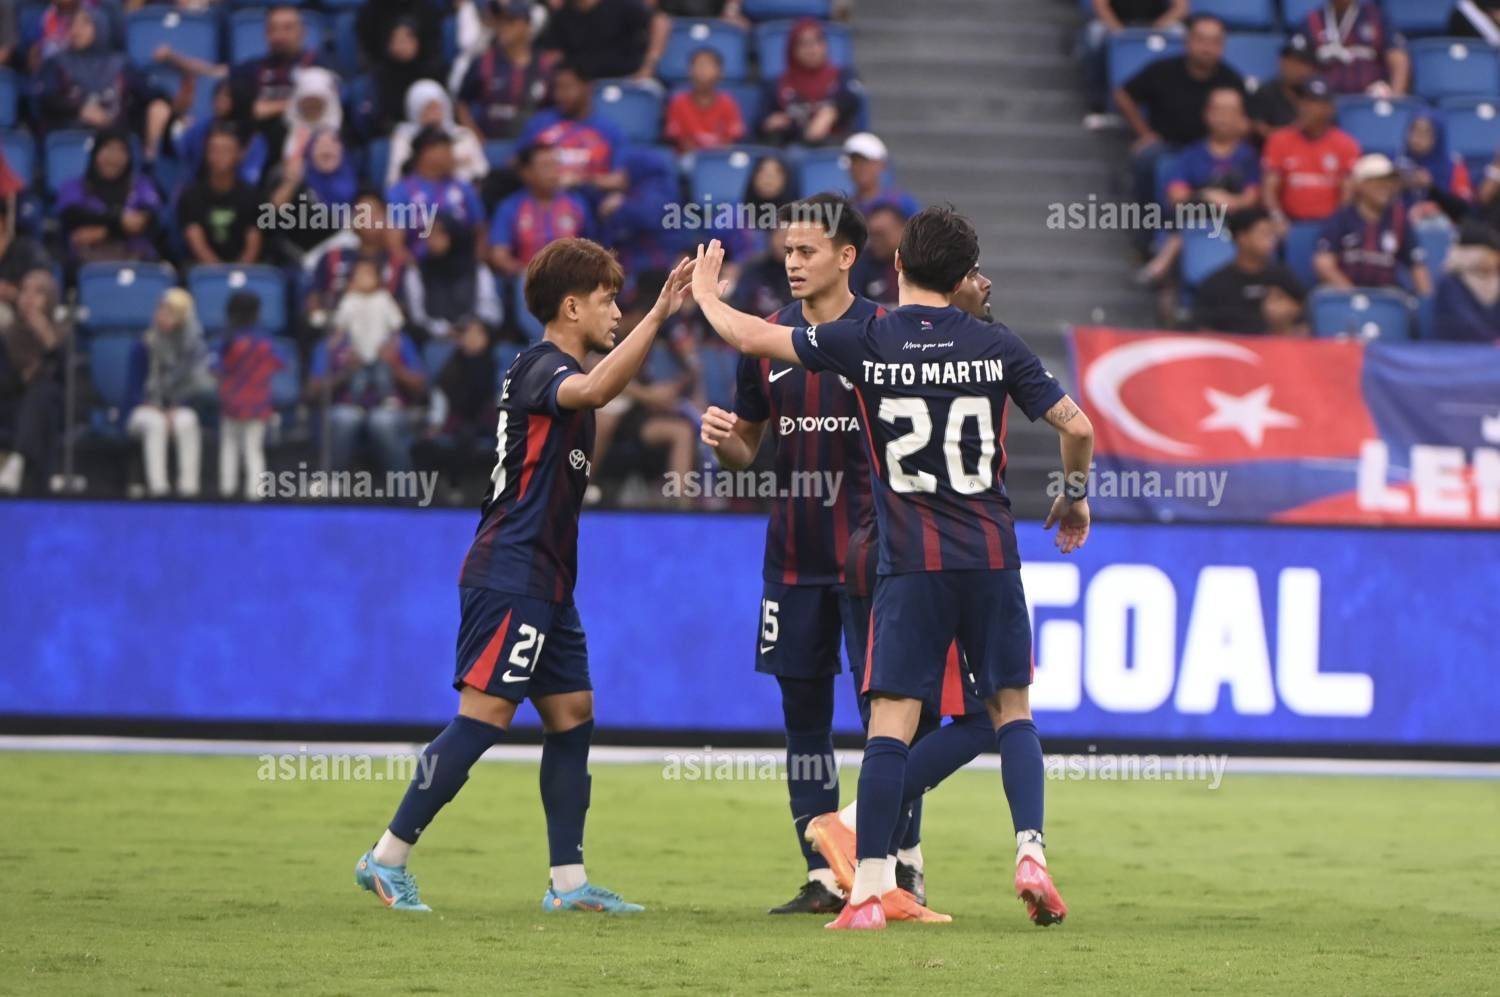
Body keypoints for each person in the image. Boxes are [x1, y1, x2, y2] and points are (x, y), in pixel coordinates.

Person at [687, 206, 1096, 931]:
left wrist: (706, 295)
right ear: (964, 276)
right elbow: (1079, 425)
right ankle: (1030, 849)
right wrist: (1072, 495)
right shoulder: (997, 343)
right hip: (991, 556)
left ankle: (869, 887)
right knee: (1010, 711)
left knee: (890, 725)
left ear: (896, 263)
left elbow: (751, 337)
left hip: (908, 562)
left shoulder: (869, 339)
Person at [353, 242, 697, 913]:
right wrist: (659, 314)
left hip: (549, 580)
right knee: (484, 717)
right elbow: (597, 389)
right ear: (570, 306)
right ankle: (386, 857)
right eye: (607, 300)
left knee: (572, 714)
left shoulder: (561, 373)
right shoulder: (543, 367)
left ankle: (567, 884)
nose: (617, 313)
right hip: (511, 570)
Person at [698, 196, 885, 916]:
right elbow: (748, 448)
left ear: (846, 256)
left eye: (808, 251)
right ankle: (823, 874)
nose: (794, 264)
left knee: (887, 721)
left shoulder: (882, 334)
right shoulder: (766, 340)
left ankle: (891, 869)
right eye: (788, 253)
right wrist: (727, 444)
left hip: (871, 559)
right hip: (793, 560)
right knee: (804, 722)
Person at [1115, 14, 1244, 209]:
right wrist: (1144, 133)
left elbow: (1244, 118)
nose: (1207, 48)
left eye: (1214, 42)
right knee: (1146, 158)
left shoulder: (1231, 80)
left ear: (1222, 46)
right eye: (1201, 40)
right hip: (1167, 145)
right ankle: (1147, 218)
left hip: (1212, 149)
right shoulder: (1163, 70)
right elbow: (1123, 95)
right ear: (1187, 41)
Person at [309, 264, 426, 475]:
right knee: (345, 418)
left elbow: (420, 387)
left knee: (382, 421)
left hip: (390, 406)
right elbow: (313, 391)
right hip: (347, 403)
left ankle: (403, 485)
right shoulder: (332, 343)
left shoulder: (398, 341)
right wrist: (346, 372)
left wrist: (393, 364)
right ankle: (333, 482)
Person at [1142, 86, 1261, 285]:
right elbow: (1176, 195)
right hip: (1196, 217)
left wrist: (1226, 201)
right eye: (1218, 110)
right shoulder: (1191, 154)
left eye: (1230, 111)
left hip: (1235, 221)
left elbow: (1251, 198)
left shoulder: (1249, 157)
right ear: (1207, 114)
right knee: (1191, 209)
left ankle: (1164, 261)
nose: (1223, 118)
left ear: (1242, 118)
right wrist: (1207, 196)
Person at [37, 8, 171, 162]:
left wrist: (159, 109)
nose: (76, 29)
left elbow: (155, 93)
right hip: (70, 135)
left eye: (85, 23)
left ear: (101, 27)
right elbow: (45, 97)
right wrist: (79, 109)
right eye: (73, 24)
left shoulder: (121, 65)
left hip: (115, 141)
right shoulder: (56, 63)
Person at [127, 289, 213, 498]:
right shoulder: (143, 345)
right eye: (161, 311)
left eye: (170, 313)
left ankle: (188, 490)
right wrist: (154, 407)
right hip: (144, 408)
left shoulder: (193, 350)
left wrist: (177, 406)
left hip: (177, 407)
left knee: (187, 420)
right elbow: (132, 390)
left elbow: (197, 389)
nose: (162, 316)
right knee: (155, 423)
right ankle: (159, 490)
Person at [1313, 153, 1431, 295]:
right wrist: (1353, 296)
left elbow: (1417, 266)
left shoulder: (1399, 219)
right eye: (1379, 181)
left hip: (1385, 295)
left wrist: (1427, 301)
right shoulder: (1342, 218)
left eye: (1389, 182)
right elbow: (1324, 264)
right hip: (1345, 294)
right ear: (1361, 184)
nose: (1386, 187)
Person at [229, 5, 330, 155]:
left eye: (287, 28)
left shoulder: (319, 65)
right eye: (273, 29)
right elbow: (249, 110)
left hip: (309, 146)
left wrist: (273, 107)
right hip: (262, 145)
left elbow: (323, 108)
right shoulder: (252, 68)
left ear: (302, 32)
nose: (279, 36)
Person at [1262, 78, 1361, 228]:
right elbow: (1269, 189)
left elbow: (1347, 196)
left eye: (1314, 103)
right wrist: (1277, 217)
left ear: (1329, 109)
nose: (1305, 108)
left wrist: (1336, 226)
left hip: (1329, 225)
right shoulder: (1279, 140)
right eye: (1303, 101)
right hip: (1289, 223)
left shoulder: (1346, 144)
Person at [515, 64, 628, 195]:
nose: (560, 95)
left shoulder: (610, 129)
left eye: (567, 87)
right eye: (557, 87)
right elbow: (516, 163)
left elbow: (619, 179)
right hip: (545, 199)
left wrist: (581, 181)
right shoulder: (540, 123)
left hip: (591, 199)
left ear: (587, 87)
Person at [56, 127, 162, 265]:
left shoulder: (141, 185)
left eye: (121, 150)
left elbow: (145, 220)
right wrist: (120, 221)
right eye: (108, 148)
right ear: (95, 153)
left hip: (137, 261)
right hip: (86, 264)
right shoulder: (74, 187)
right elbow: (74, 216)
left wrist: (103, 232)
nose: (114, 157)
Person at [1193, 208, 1307, 334]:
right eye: (1264, 234)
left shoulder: (1283, 277)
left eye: (1272, 234)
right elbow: (1202, 332)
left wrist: (1285, 319)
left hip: (1275, 344)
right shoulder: (1215, 284)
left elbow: (1305, 327)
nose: (1271, 241)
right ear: (1242, 238)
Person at [0, 270, 64, 495]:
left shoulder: (62, 333)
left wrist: (48, 339)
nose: (28, 297)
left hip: (51, 408)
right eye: (24, 290)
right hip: (12, 403)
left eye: (38, 292)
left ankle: (17, 461)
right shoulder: (7, 335)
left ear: (50, 300)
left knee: (43, 391)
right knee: (38, 393)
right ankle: (18, 461)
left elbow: (67, 380)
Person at [488, 143, 593, 277]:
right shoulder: (510, 207)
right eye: (545, 166)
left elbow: (593, 247)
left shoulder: (576, 204)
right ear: (526, 173)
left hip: (572, 278)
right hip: (528, 278)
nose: (553, 172)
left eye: (555, 165)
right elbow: (499, 255)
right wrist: (526, 273)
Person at [385, 126, 489, 260]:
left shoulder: (463, 188)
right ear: (427, 153)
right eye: (447, 150)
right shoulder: (400, 192)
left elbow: (480, 232)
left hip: (463, 264)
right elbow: (395, 244)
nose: (452, 155)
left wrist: (475, 265)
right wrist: (414, 267)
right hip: (418, 264)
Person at [217, 291, 283, 500]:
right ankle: (255, 493)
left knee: (230, 446)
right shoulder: (265, 340)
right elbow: (280, 364)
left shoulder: (228, 339)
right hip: (257, 404)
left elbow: (217, 368)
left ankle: (227, 491)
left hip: (234, 402)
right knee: (253, 448)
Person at [425, 315, 499, 500]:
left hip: (486, 416)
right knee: (465, 434)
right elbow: (440, 394)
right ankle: (453, 485)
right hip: (457, 417)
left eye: (478, 333)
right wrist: (436, 423)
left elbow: (496, 396)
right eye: (468, 333)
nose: (472, 338)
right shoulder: (453, 363)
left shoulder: (492, 364)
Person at [1079, 0, 1189, 121]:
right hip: (1118, 24)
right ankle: (1098, 101)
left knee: (1179, 31)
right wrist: (1119, 32)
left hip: (1157, 25)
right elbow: (1100, 6)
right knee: (1095, 32)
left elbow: (1181, 7)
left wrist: (1157, 28)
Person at [456, 0, 550, 140]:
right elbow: (461, 103)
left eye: (510, 21)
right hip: (490, 142)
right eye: (500, 21)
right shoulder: (484, 62)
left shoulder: (544, 66)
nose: (503, 26)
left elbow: (555, 109)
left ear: (527, 26)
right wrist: (476, 136)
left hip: (533, 144)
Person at [760, 18, 861, 146]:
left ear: (825, 46)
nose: (812, 49)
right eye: (804, 44)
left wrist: (831, 112)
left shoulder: (842, 76)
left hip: (835, 144)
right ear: (792, 50)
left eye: (817, 42)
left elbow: (852, 100)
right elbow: (760, 122)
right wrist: (770, 123)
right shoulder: (777, 85)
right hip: (792, 146)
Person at [264, 127, 358, 263]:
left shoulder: (354, 183)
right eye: (320, 144)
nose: (327, 147)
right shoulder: (299, 181)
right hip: (295, 258)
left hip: (338, 258)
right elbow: (272, 213)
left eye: (333, 143)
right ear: (310, 151)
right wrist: (292, 182)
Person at [404, 213, 503, 341]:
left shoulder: (477, 269)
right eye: (428, 233)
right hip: (436, 338)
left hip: (474, 335)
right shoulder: (416, 272)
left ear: (454, 236)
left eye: (439, 233)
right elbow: (418, 317)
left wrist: (477, 326)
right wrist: (444, 330)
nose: (431, 239)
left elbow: (490, 306)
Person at [177, 123, 264, 267]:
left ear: (239, 154)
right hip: (202, 271)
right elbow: (196, 241)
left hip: (244, 271)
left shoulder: (252, 197)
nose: (220, 156)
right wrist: (220, 274)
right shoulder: (191, 196)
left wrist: (237, 273)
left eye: (226, 150)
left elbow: (253, 243)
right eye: (214, 150)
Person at [387, 79, 490, 190]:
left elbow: (482, 172)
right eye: (427, 109)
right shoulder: (404, 139)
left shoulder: (464, 135)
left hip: (461, 194)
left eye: (437, 108)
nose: (434, 115)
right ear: (415, 111)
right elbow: (395, 180)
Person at [1292, 0, 1408, 97]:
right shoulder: (1312, 20)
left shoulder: (1374, 16)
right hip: (1327, 100)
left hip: (1370, 97)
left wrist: (1395, 98)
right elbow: (1295, 66)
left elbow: (1399, 59)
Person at [536, 0, 664, 82]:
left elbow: (660, 21)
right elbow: (553, 55)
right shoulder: (562, 16)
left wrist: (649, 64)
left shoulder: (622, 5)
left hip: (627, 80)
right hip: (584, 86)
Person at [664, 47, 746, 154]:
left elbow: (730, 140)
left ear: (720, 72)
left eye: (708, 65)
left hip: (720, 157)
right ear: (689, 71)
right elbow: (679, 139)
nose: (702, 71)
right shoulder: (678, 102)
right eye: (698, 65)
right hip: (687, 158)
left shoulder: (728, 103)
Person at [1396, 112, 1472, 223]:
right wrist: (1399, 184)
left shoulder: (1454, 166)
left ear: (1438, 136)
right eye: (1414, 130)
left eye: (1426, 133)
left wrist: (1431, 187)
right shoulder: (1396, 163)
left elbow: (1464, 209)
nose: (1418, 137)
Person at [1432, 222, 1500, 342]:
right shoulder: (1450, 282)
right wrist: (1493, 339)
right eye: (1491, 253)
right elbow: (1464, 322)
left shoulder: (1495, 280)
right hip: (1455, 349)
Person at [1248, 43, 1318, 142]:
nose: (1294, 68)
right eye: (1289, 61)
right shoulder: (1265, 93)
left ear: (1312, 68)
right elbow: (1257, 129)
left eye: (1301, 63)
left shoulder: (1318, 96)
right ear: (1280, 62)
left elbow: (1330, 134)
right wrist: (1294, 132)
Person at [844, 133, 919, 220]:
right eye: (855, 161)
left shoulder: (903, 203)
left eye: (866, 161)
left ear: (882, 164)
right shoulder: (844, 208)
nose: (861, 167)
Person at [850, 203, 901, 307]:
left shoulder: (920, 264)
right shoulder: (859, 266)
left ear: (902, 230)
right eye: (872, 235)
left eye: (880, 234)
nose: (876, 241)